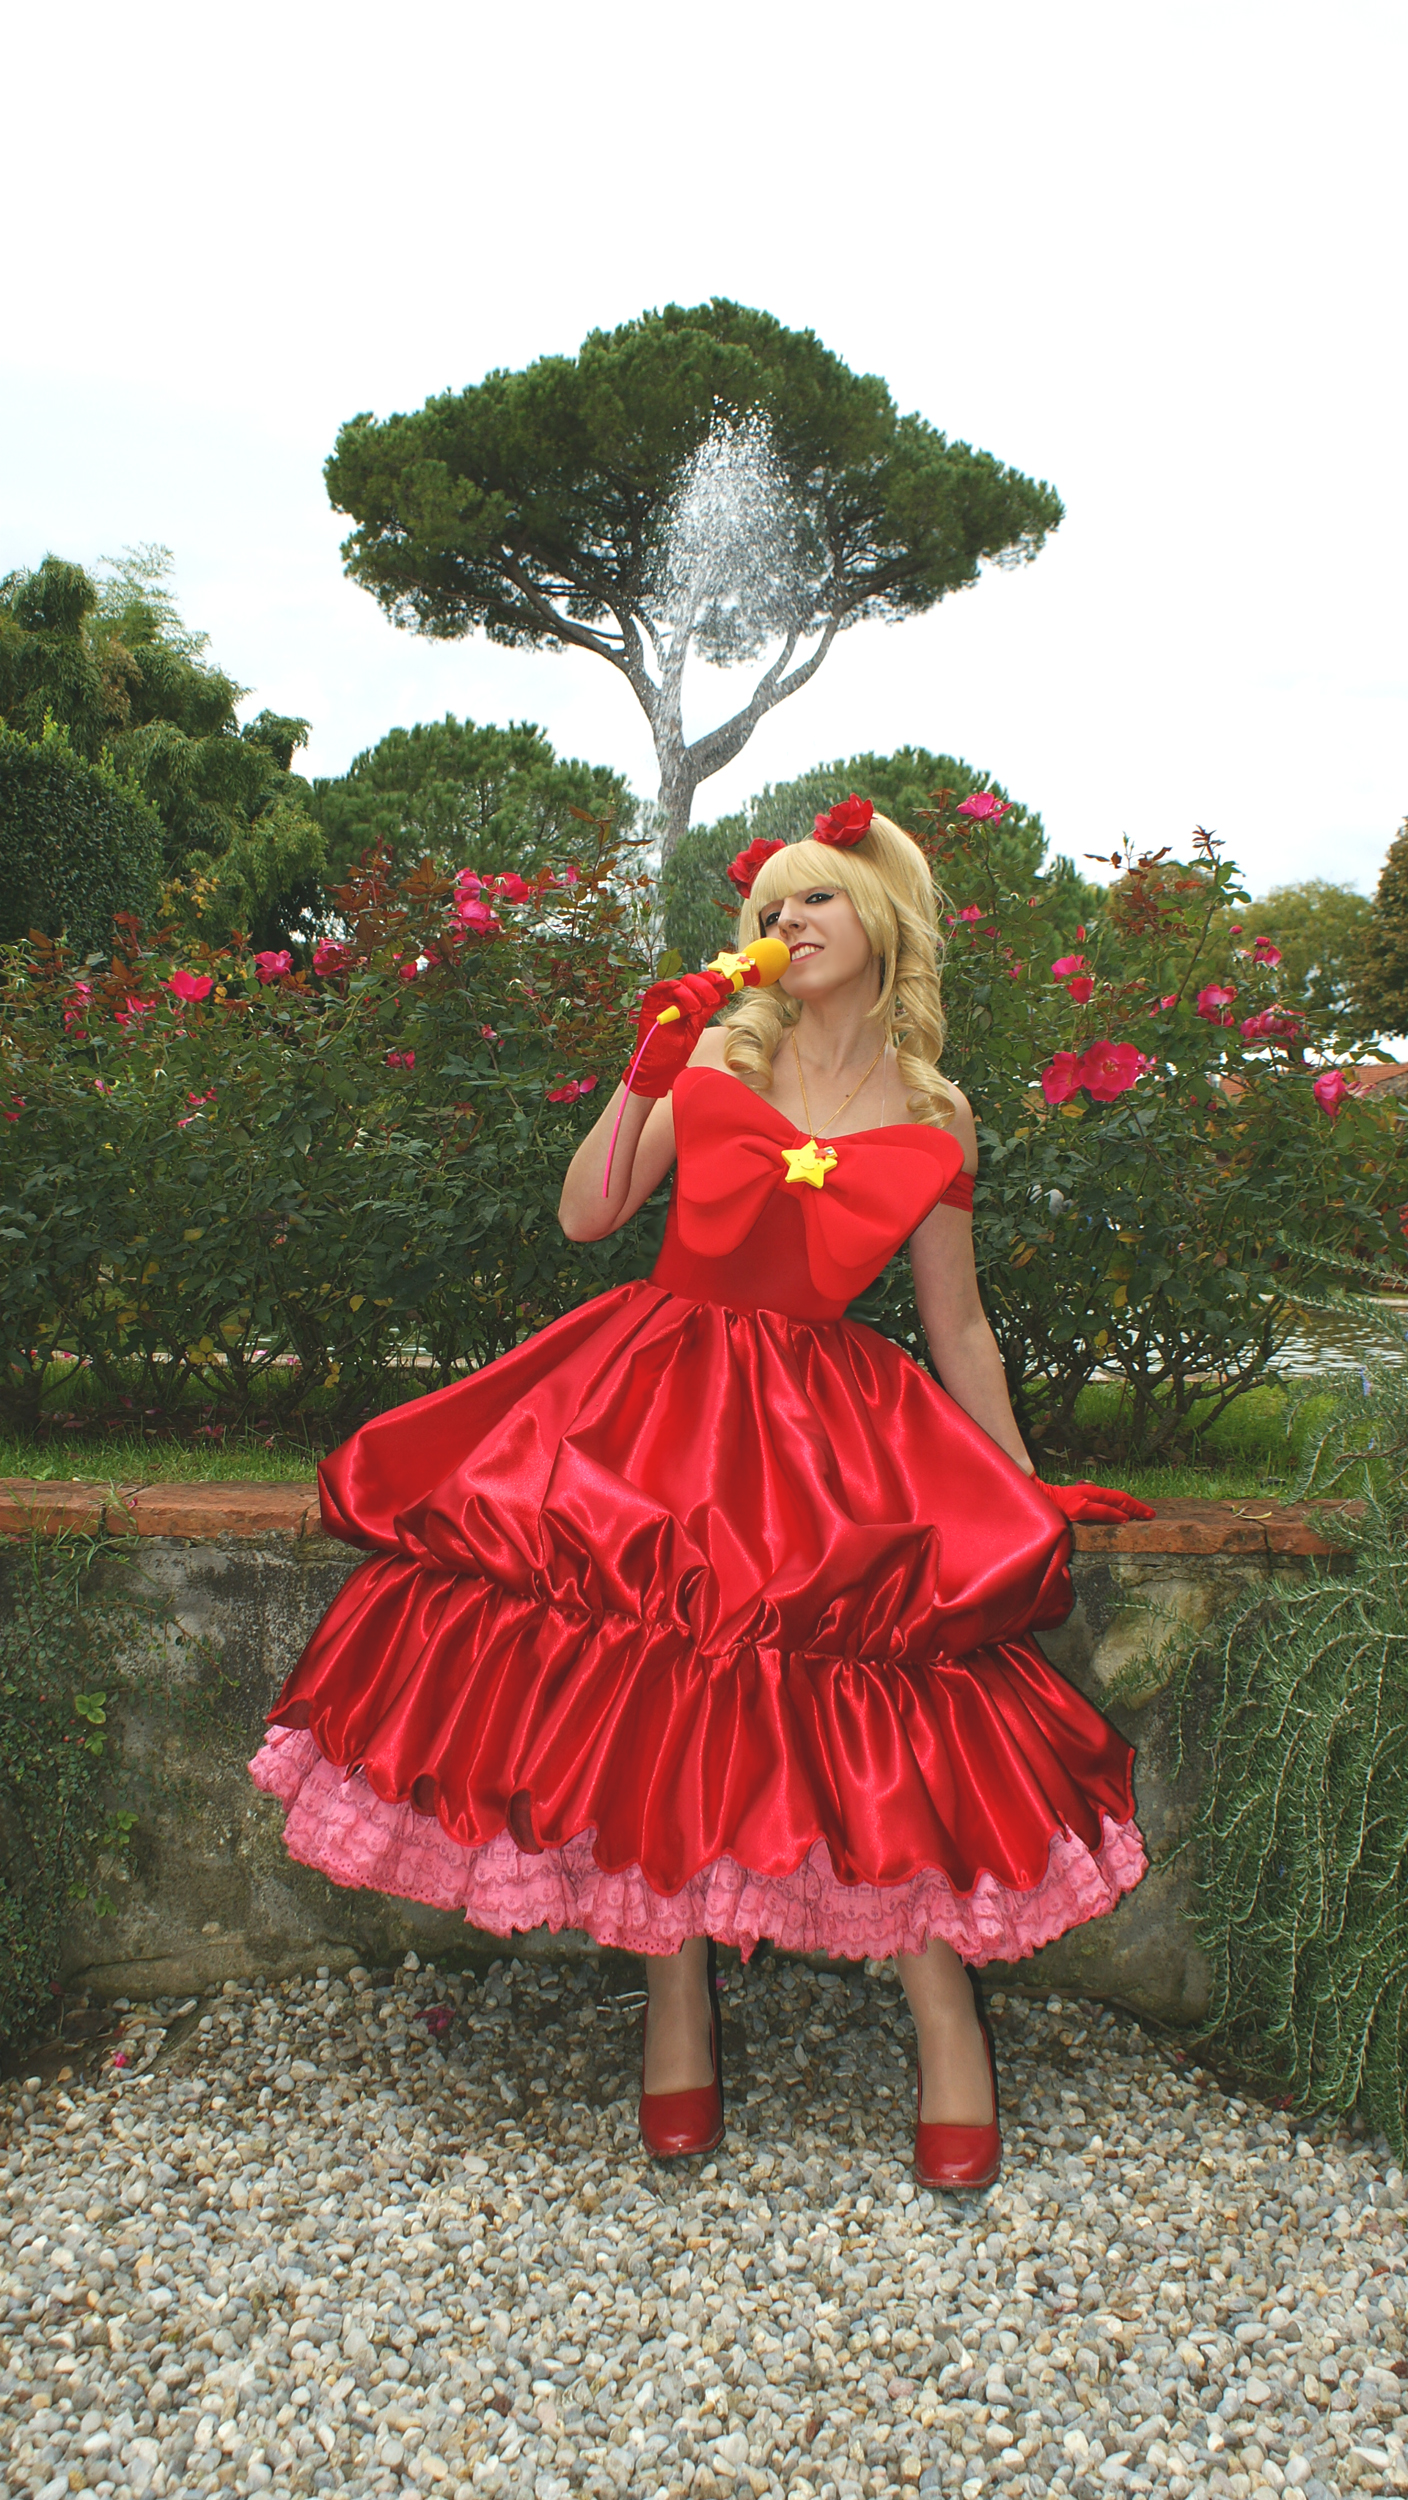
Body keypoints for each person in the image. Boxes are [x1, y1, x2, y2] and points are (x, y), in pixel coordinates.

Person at [250, 800, 1152, 2190]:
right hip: (655, 1404)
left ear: (882, 923)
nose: (787, 922)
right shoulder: (716, 1061)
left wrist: (1020, 1491)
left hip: (828, 1432)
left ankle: (945, 2019)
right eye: (773, 905)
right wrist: (644, 1070)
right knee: (654, 1702)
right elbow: (589, 1216)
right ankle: (675, 2004)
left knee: (880, 1700)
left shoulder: (937, 1114)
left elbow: (957, 1325)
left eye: (816, 899)